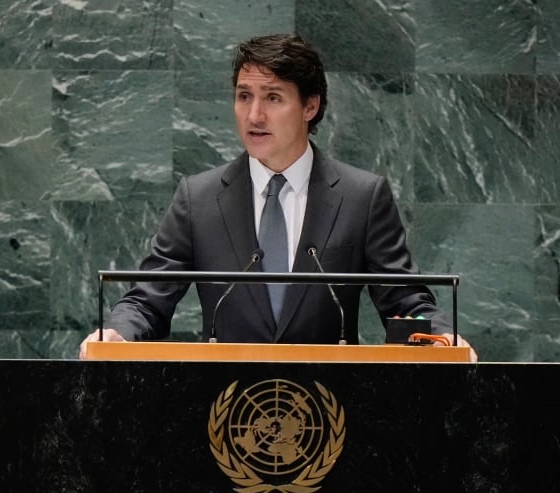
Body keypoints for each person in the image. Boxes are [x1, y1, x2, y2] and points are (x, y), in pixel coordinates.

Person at [80, 33, 474, 359]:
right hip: (223, 409)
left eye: (272, 98)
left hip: (330, 409)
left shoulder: (362, 197)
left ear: (310, 106)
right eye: (243, 96)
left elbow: (405, 301)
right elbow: (148, 298)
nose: (253, 116)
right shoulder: (198, 198)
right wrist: (116, 333)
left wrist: (444, 337)